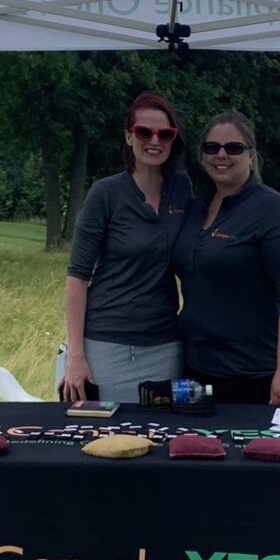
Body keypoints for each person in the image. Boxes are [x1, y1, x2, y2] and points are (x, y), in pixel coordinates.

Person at [60, 91, 193, 403]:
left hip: (165, 345)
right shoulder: (105, 194)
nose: (154, 141)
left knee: (159, 439)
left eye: (165, 134)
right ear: (129, 136)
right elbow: (77, 277)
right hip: (107, 345)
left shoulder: (182, 189)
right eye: (144, 132)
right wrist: (75, 355)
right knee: (102, 437)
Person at [173, 110, 280, 405]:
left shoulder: (276, 212)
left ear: (251, 155)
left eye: (233, 148)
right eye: (212, 147)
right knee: (193, 449)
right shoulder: (195, 209)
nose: (221, 155)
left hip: (255, 375)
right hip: (195, 368)